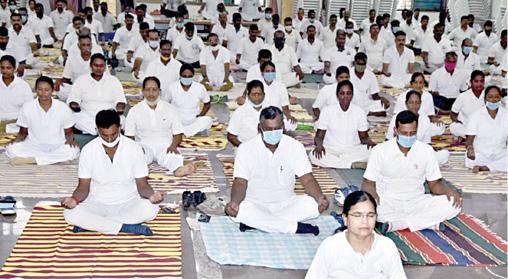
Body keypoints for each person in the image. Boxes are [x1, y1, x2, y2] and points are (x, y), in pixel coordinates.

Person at [225, 106, 329, 235]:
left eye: (277, 128)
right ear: (259, 128)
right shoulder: (246, 148)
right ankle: (295, 228)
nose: (274, 132)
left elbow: (307, 179)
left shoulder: (295, 146)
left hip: (287, 203)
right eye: (269, 129)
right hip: (256, 204)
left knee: (312, 205)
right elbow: (240, 182)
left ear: (283, 127)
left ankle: (260, 224)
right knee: (241, 210)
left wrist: (320, 198)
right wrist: (235, 203)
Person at [63, 109, 163, 236]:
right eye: (104, 135)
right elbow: (83, 187)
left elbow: (142, 185)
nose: (109, 139)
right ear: (97, 130)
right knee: (70, 214)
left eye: (113, 134)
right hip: (97, 202)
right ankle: (125, 227)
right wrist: (74, 199)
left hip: (128, 201)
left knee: (151, 209)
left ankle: (94, 226)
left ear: (120, 128)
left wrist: (152, 196)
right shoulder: (88, 150)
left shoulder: (134, 148)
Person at [362, 110, 462, 233]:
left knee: (453, 204)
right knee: (368, 208)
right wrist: (372, 197)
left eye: (412, 133)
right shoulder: (380, 151)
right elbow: (368, 182)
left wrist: (448, 191)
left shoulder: (426, 150)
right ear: (395, 131)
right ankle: (426, 223)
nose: (408, 137)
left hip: (416, 201)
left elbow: (434, 185)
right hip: (388, 201)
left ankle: (397, 224)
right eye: (404, 133)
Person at [306, 191, 407, 279]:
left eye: (370, 215)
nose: (365, 221)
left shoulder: (386, 246)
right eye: (357, 215)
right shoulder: (331, 246)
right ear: (345, 219)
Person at [125, 76, 197, 177]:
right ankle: (136, 172)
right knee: (135, 158)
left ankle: (178, 170)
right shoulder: (134, 111)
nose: (151, 94)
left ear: (160, 91)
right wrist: (136, 148)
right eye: (147, 90)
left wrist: (173, 146)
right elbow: (129, 136)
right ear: (143, 92)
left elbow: (178, 133)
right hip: (143, 146)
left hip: (165, 146)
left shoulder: (170, 109)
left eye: (154, 90)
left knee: (174, 156)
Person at [6, 76, 79, 165]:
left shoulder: (63, 107)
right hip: (33, 145)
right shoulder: (27, 107)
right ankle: (53, 160)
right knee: (11, 149)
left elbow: (69, 132)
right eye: (40, 89)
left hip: (57, 145)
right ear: (35, 90)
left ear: (52, 90)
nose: (43, 93)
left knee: (73, 150)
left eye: (47, 90)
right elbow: (23, 133)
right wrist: (15, 142)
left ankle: (33, 160)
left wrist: (70, 140)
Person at [309, 80, 374, 169]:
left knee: (374, 151)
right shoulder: (327, 111)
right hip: (331, 149)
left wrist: (370, 142)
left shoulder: (359, 112)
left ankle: (339, 162)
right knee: (314, 155)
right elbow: (319, 136)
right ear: (337, 95)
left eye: (348, 93)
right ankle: (352, 164)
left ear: (352, 95)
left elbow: (364, 137)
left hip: (352, 150)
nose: (345, 97)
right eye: (342, 93)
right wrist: (319, 145)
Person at [67, 53, 126, 135]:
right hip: (87, 116)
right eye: (96, 65)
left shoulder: (114, 80)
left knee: (122, 119)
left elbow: (121, 101)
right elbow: (72, 100)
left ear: (105, 67)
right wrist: (75, 105)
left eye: (101, 66)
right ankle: (107, 133)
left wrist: (120, 108)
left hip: (109, 116)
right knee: (75, 117)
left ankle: (99, 132)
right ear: (91, 66)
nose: (99, 68)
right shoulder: (81, 80)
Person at [386, 91, 448, 164]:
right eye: (411, 102)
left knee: (444, 154)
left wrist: (430, 150)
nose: (414, 106)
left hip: (418, 153)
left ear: (420, 104)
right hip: (399, 152)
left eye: (417, 103)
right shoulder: (397, 117)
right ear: (406, 104)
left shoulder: (425, 120)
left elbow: (426, 143)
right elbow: (388, 140)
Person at [465, 85, 507, 173]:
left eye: (496, 97)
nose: (493, 100)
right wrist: (470, 149)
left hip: (500, 153)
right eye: (490, 97)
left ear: (500, 99)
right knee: (470, 159)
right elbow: (469, 139)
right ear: (485, 99)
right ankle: (494, 166)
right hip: (481, 154)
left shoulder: (506, 114)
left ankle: (486, 168)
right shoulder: (476, 115)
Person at [164, 64, 212, 137]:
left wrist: (201, 115)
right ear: (180, 75)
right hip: (177, 120)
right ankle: (186, 132)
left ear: (193, 76)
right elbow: (164, 104)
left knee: (208, 120)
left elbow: (207, 103)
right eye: (184, 76)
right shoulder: (172, 87)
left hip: (194, 120)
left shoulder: (199, 87)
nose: (187, 78)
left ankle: (182, 132)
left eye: (189, 76)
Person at [55, 34, 95, 101]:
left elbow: (106, 77)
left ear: (91, 46)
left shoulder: (97, 58)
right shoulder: (71, 59)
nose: (86, 48)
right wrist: (60, 81)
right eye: (83, 45)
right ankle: (83, 99)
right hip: (76, 88)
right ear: (79, 46)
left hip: (94, 88)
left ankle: (80, 99)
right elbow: (66, 79)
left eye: (88, 45)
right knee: (61, 88)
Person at [227, 80, 265, 146]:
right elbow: (231, 136)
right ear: (248, 95)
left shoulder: (270, 109)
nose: (257, 97)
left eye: (259, 94)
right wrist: (244, 148)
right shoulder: (240, 112)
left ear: (264, 95)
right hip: (245, 149)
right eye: (253, 94)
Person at [350, 52, 389, 116]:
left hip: (367, 102)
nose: (361, 66)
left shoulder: (370, 75)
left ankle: (366, 112)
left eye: (363, 64)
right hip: (352, 101)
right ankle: (369, 113)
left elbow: (375, 95)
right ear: (354, 63)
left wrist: (383, 99)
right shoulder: (348, 74)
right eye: (359, 64)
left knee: (382, 106)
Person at [0, 55, 32, 132]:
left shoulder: (23, 85)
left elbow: (30, 109)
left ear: (14, 68)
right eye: (2, 68)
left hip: (16, 124)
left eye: (8, 68)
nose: (5, 71)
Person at [450, 70, 486, 139]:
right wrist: (457, 121)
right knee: (453, 127)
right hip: (466, 127)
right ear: (470, 82)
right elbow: (453, 113)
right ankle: (474, 138)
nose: (479, 84)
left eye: (481, 81)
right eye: (476, 81)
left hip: (483, 127)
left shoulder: (488, 95)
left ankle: (470, 138)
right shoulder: (463, 96)